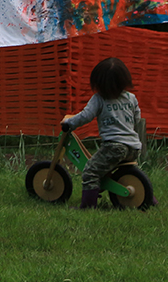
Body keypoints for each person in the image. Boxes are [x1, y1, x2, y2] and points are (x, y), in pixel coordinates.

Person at [61, 56, 143, 209]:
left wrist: (68, 124)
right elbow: (137, 118)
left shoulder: (99, 99)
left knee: (90, 172)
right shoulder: (131, 98)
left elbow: (86, 116)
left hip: (115, 147)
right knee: (112, 170)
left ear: (98, 83)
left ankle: (88, 206)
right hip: (134, 147)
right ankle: (148, 199)